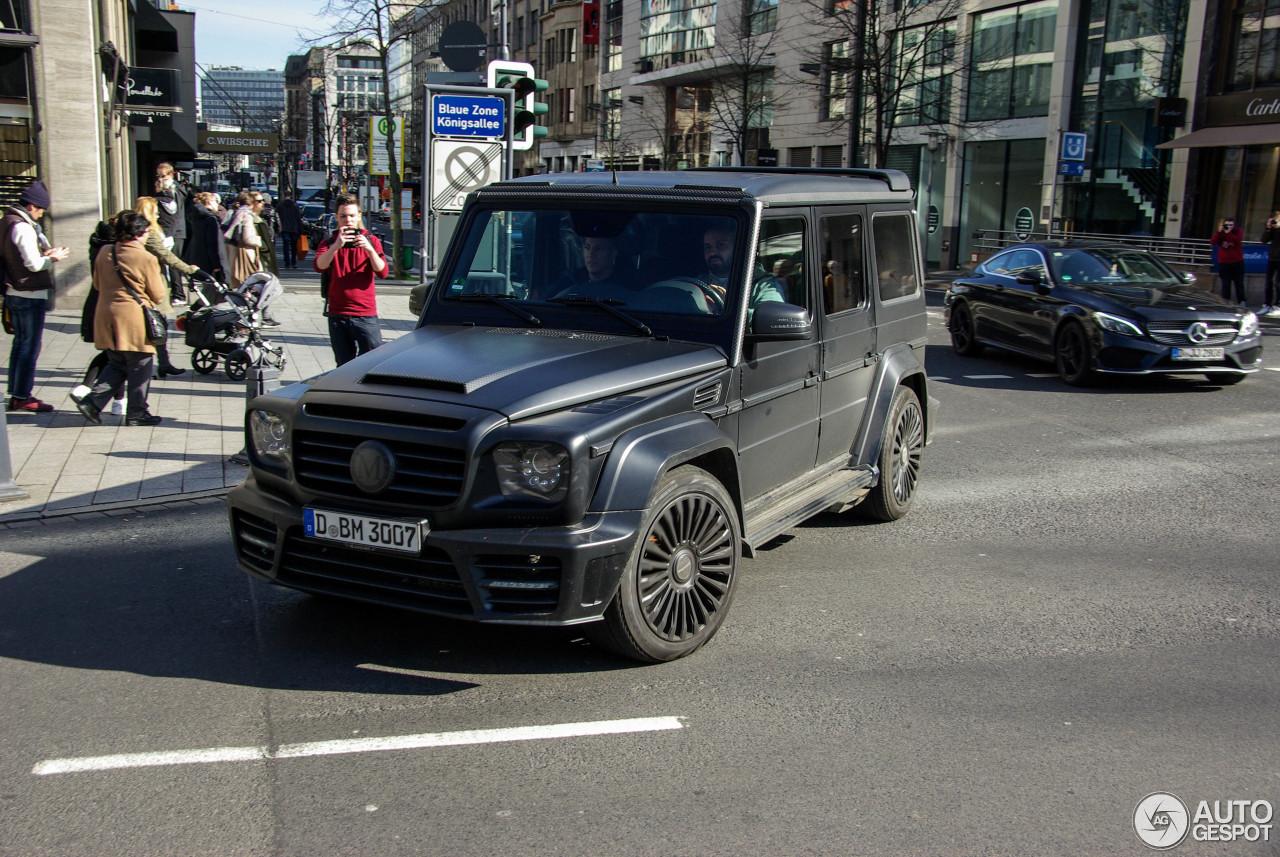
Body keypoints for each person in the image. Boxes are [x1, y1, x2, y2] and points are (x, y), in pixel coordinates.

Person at [70, 211, 167, 426]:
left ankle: (92, 403)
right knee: (140, 364)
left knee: (117, 363)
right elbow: (158, 294)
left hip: (105, 313)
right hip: (133, 316)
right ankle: (137, 412)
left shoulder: (105, 251)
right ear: (139, 234)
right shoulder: (146, 257)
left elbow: (97, 284)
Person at [3, 180, 70, 413]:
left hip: (14, 291)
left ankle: (16, 393)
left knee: (20, 345)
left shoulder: (7, 221)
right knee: (29, 347)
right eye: (41, 210)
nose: (42, 215)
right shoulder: (23, 226)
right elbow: (33, 264)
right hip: (29, 294)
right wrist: (53, 258)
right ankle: (22, 396)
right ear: (32, 206)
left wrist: (46, 254)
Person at [314, 194, 387, 366]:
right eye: (343, 216)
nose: (348, 220)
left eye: (352, 215)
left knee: (373, 363)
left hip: (365, 315)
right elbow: (319, 266)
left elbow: (382, 272)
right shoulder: (329, 242)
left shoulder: (372, 241)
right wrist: (336, 246)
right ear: (337, 217)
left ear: (359, 216)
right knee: (343, 366)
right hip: (337, 314)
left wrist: (369, 249)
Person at [134, 195, 199, 375]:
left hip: (155, 278)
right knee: (156, 324)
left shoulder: (150, 230)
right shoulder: (148, 233)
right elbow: (166, 256)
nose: (158, 214)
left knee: (157, 324)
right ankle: (157, 364)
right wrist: (188, 269)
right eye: (155, 211)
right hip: (151, 282)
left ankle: (163, 363)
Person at [701, 224, 786, 313]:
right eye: (707, 247)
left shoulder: (762, 284)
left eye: (720, 245)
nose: (712, 252)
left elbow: (770, 317)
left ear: (737, 247)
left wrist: (729, 308)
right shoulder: (697, 284)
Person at [549, 235, 635, 298]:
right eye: (587, 247)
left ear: (613, 254)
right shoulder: (570, 281)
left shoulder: (626, 285)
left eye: (599, 248)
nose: (591, 254)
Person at [154, 162, 189, 306]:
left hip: (175, 232)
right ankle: (176, 292)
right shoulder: (166, 189)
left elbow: (172, 209)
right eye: (158, 175)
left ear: (170, 175)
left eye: (162, 175)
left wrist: (164, 191)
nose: (160, 178)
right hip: (169, 231)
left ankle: (178, 294)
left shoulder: (175, 190)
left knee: (173, 262)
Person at [184, 191, 226, 294]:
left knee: (208, 291)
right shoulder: (210, 219)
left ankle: (196, 307)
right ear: (210, 202)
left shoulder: (197, 217)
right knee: (214, 292)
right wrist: (217, 265)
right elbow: (212, 243)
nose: (218, 204)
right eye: (216, 201)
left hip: (198, 258)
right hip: (209, 261)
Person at [223, 190, 264, 288]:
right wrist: (259, 240)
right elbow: (248, 238)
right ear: (251, 203)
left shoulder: (236, 213)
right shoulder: (246, 215)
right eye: (259, 201)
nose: (262, 203)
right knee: (251, 282)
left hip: (236, 252)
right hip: (246, 254)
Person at [1211, 217, 1246, 305]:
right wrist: (1218, 232)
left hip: (1237, 262)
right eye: (1227, 225)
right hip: (1224, 263)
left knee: (1239, 283)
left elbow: (1237, 241)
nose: (1229, 227)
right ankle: (1226, 302)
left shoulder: (1238, 231)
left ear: (1234, 225)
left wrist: (1229, 233)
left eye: (1231, 225)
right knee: (1225, 284)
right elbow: (1213, 242)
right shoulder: (1221, 233)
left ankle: (1241, 301)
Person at [1260, 211, 1280, 316]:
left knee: (1278, 283)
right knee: (1269, 282)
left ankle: (1278, 305)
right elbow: (1264, 240)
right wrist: (1268, 228)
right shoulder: (1273, 229)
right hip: (1272, 258)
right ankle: (1267, 304)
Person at [276, 192, 303, 269]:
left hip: (284, 228)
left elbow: (277, 217)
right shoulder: (295, 206)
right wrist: (301, 230)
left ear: (284, 196)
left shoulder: (279, 205)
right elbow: (298, 219)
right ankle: (294, 262)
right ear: (290, 196)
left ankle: (287, 263)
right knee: (294, 247)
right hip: (294, 228)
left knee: (286, 247)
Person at [257, 192, 281, 276]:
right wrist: (279, 230)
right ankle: (269, 270)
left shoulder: (259, 211)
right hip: (271, 234)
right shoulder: (272, 210)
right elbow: (277, 221)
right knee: (270, 252)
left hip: (261, 234)